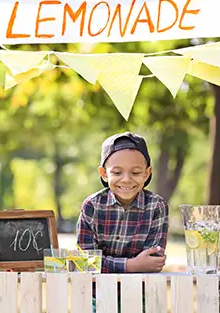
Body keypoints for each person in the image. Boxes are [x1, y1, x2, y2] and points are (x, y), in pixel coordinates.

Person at [76, 132, 169, 312]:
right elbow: (85, 261)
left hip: (140, 296)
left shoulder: (157, 206)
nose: (126, 179)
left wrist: (105, 263)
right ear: (103, 174)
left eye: (135, 172)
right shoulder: (92, 206)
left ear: (147, 173)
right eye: (117, 172)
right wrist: (131, 265)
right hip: (99, 295)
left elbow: (153, 262)